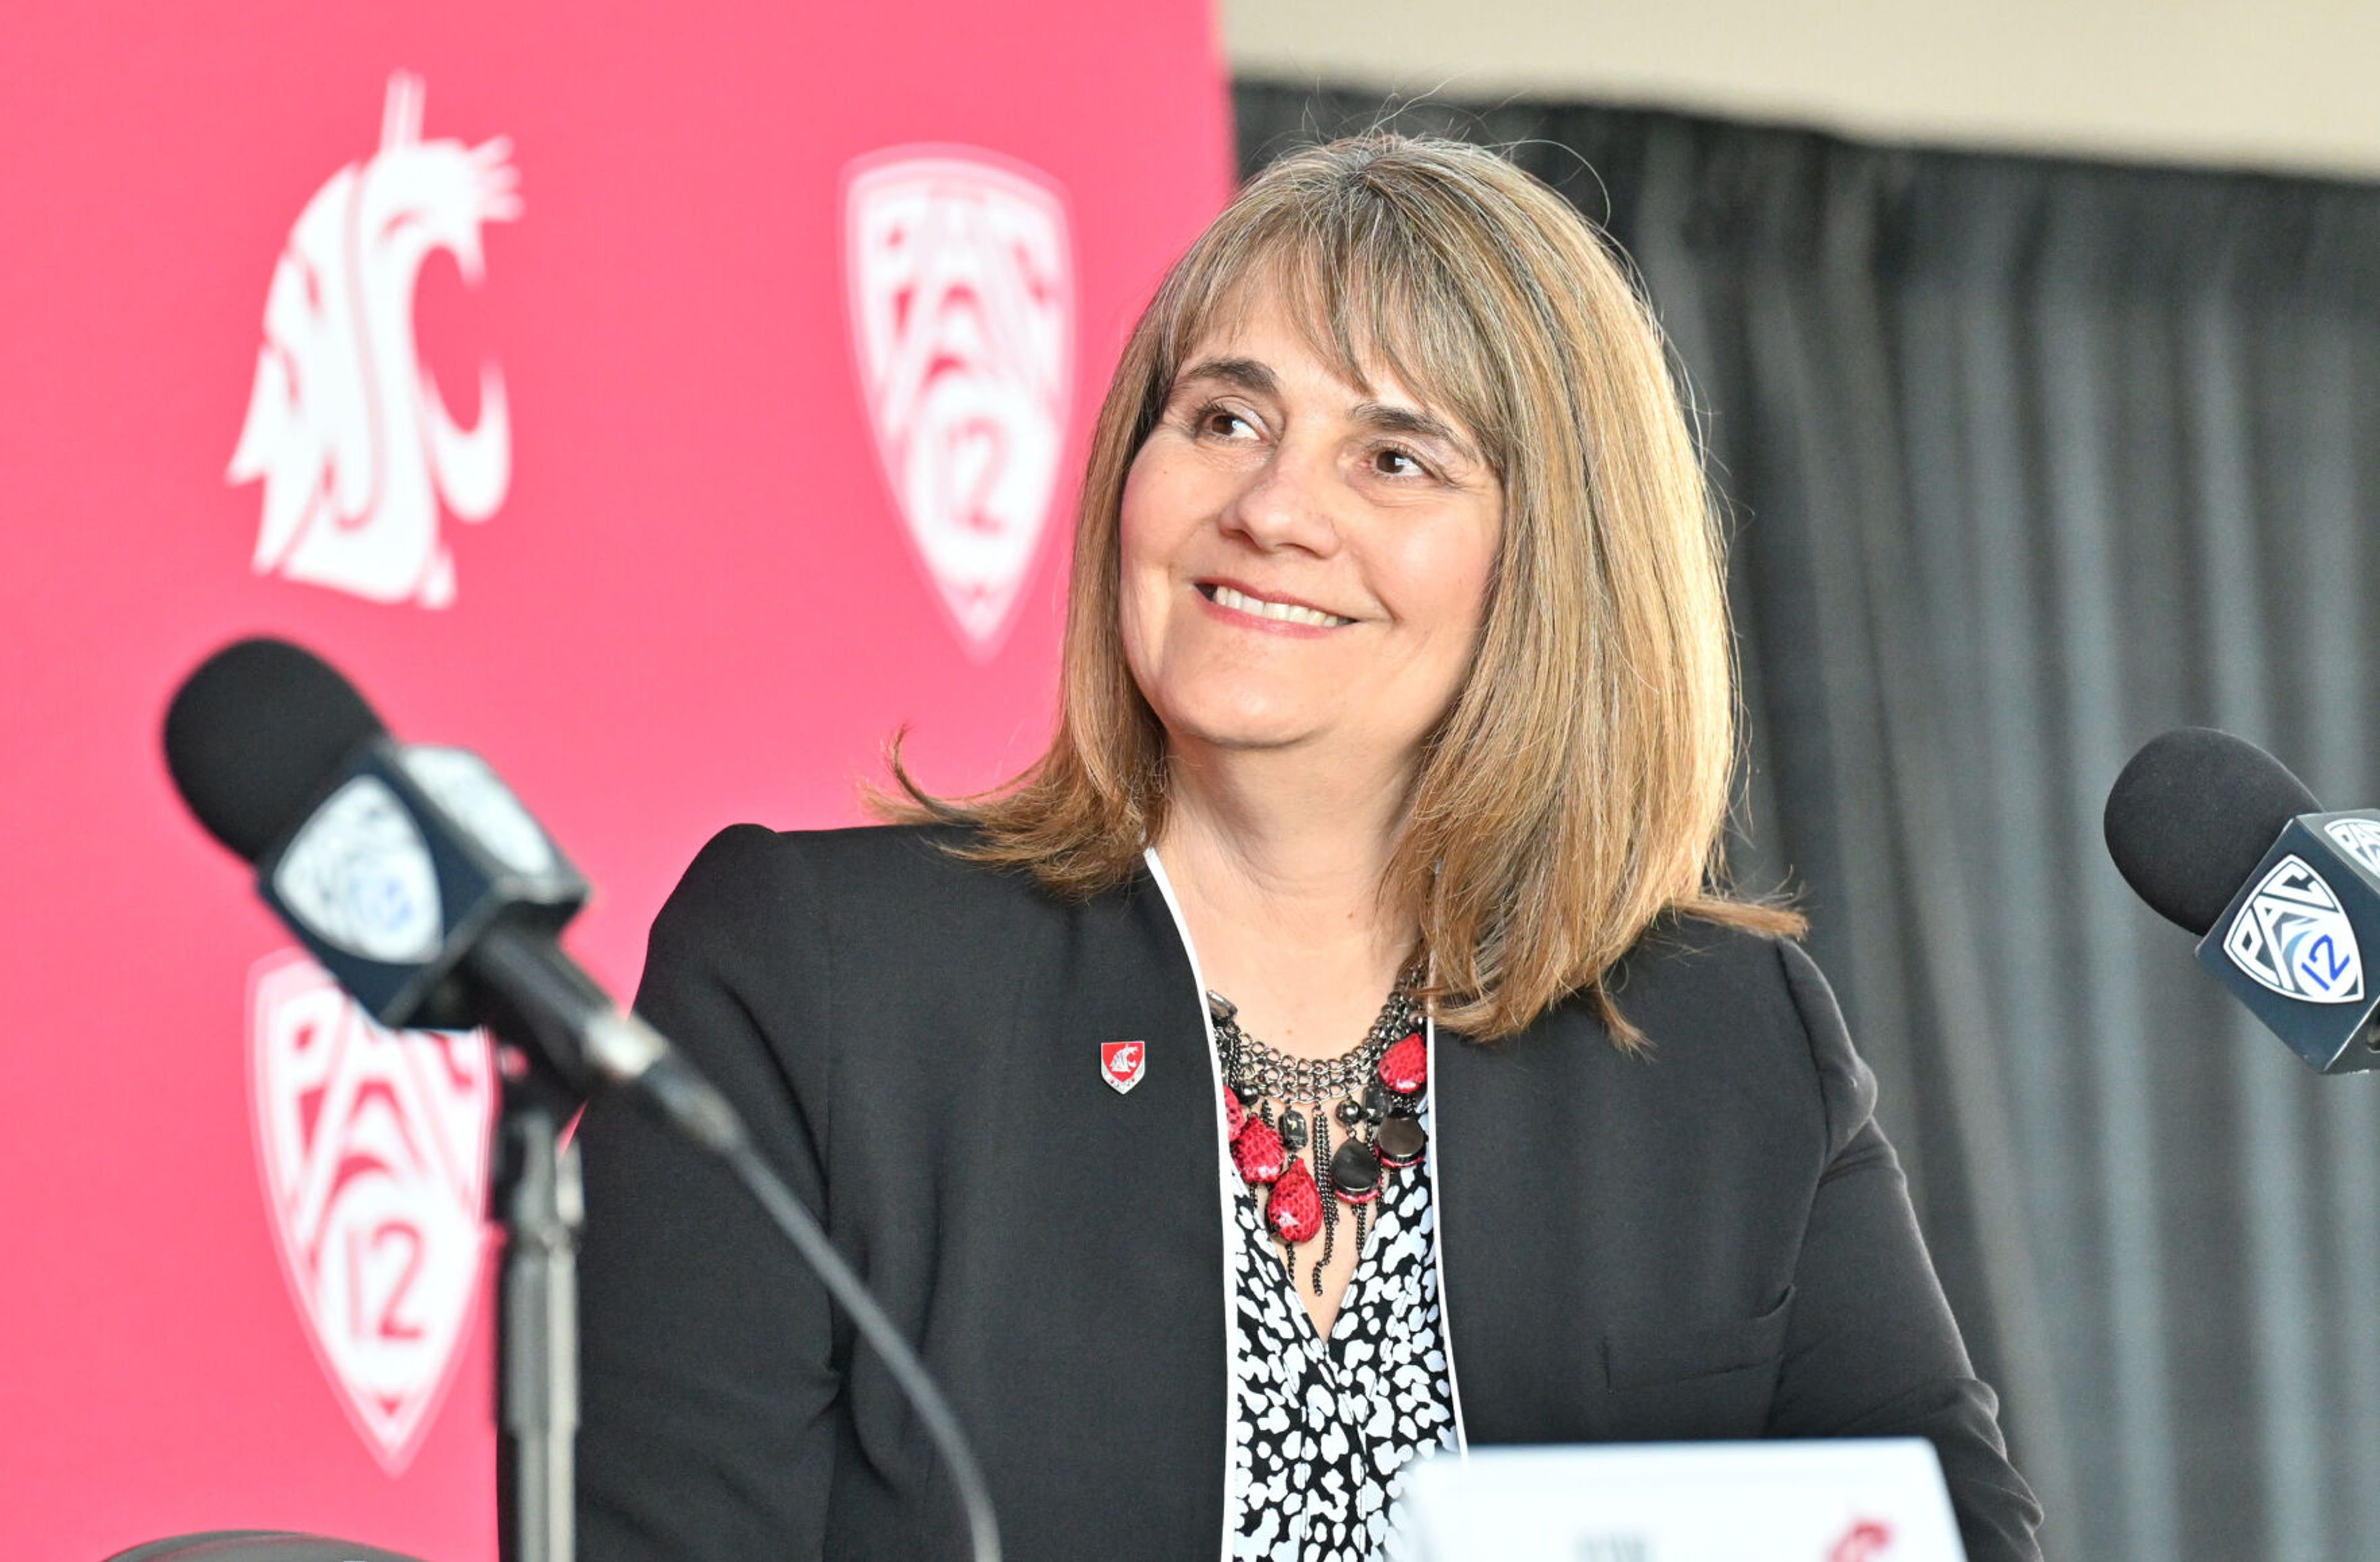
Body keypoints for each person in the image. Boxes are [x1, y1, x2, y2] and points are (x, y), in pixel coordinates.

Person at [575, 134, 2043, 1561]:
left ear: (1555, 569)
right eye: (1223, 418)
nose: (1273, 508)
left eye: (1395, 457)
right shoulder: (817, 981)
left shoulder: (1725, 1037)